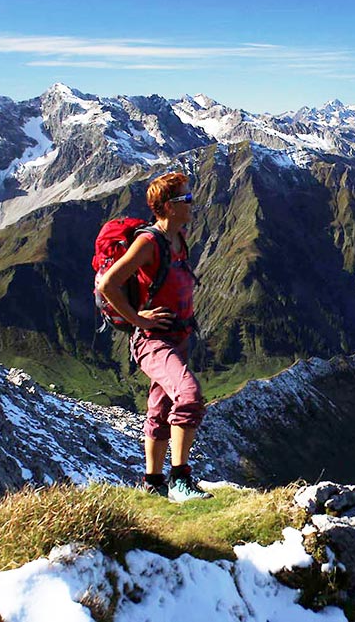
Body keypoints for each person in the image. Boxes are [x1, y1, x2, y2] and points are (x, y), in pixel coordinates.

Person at [98, 171, 211, 502]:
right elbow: (109, 285)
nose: (192, 204)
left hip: (177, 337)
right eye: (185, 199)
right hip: (153, 341)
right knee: (188, 395)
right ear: (167, 206)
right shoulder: (149, 242)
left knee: (160, 410)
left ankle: (152, 482)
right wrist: (138, 320)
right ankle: (180, 479)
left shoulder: (179, 238)